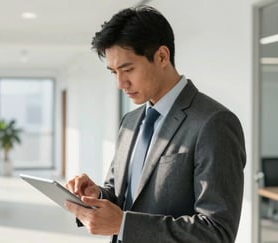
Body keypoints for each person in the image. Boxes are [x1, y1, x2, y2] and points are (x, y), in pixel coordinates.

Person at [65, 5, 246, 243]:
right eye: (113, 72)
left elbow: (216, 232)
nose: (120, 83)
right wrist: (96, 194)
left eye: (127, 69)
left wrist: (123, 224)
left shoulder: (214, 123)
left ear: (162, 56)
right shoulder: (130, 122)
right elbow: (124, 196)